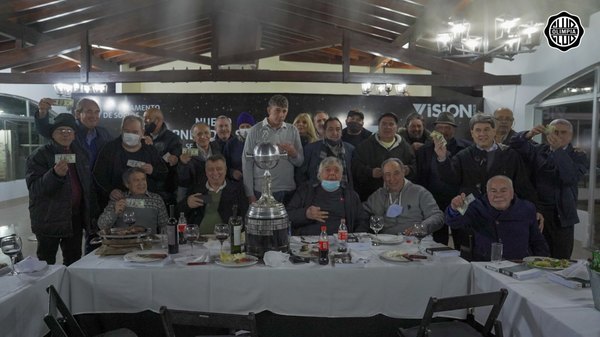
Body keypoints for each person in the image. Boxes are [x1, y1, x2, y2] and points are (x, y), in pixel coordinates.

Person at [434, 113, 538, 249]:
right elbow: (450, 179)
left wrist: (537, 209)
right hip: (471, 214)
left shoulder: (510, 155)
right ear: (472, 133)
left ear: (494, 131)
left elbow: (522, 184)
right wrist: (442, 158)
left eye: (486, 129)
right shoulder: (463, 156)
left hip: (503, 214)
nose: (482, 134)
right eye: (478, 130)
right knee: (468, 253)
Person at [26, 114, 98, 265]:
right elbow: (35, 189)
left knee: (73, 260)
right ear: (52, 134)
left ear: (74, 135)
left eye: (69, 131)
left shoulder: (81, 154)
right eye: (60, 130)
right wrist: (55, 174)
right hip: (49, 218)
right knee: (46, 263)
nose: (65, 134)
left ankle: (69, 289)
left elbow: (87, 185)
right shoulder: (40, 155)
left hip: (75, 218)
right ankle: (47, 289)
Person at [510, 119, 588, 259]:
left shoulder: (579, 155)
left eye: (563, 132)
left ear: (570, 135)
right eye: (555, 132)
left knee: (561, 259)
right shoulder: (539, 150)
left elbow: (569, 177)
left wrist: (558, 151)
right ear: (548, 134)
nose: (558, 135)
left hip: (562, 216)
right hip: (538, 212)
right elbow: (515, 144)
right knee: (536, 256)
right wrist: (529, 134)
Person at [446, 176, 549, 261]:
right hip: (485, 265)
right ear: (487, 193)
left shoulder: (527, 208)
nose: (498, 195)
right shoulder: (475, 204)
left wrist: (542, 264)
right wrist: (454, 208)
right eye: (493, 191)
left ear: (512, 193)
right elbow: (453, 222)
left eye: (503, 190)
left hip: (519, 265)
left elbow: (537, 241)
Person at [415, 111, 471, 245]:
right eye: (440, 127)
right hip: (434, 201)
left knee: (462, 239)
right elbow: (420, 178)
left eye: (448, 127)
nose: (444, 131)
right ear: (435, 130)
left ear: (454, 129)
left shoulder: (466, 148)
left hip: (460, 200)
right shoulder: (424, 150)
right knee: (437, 241)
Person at [93, 115, 168, 209]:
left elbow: (164, 173)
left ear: (142, 133)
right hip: (116, 205)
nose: (130, 135)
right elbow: (98, 175)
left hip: (146, 206)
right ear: (121, 130)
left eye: (135, 132)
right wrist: (109, 191)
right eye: (127, 131)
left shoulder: (150, 150)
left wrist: (153, 171)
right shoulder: (109, 149)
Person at [242, 94, 304, 204]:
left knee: (288, 221)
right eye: (277, 110)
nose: (281, 115)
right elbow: (247, 163)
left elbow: (299, 162)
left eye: (284, 111)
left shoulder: (293, 130)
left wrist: (293, 153)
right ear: (269, 110)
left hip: (288, 190)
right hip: (261, 191)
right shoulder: (255, 131)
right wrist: (250, 194)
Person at [287, 157, 367, 235]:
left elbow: (362, 221)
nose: (332, 173)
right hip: (309, 240)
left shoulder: (351, 195)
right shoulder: (305, 191)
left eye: (336, 170)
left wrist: (355, 239)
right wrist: (306, 214)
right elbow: (287, 216)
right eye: (328, 170)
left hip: (342, 241)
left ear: (341, 175)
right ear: (319, 174)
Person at [363, 158, 443, 235]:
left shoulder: (420, 192)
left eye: (396, 173)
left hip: (415, 240)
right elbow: (362, 213)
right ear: (383, 177)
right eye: (387, 174)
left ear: (403, 172)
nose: (392, 178)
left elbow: (438, 216)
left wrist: (422, 227)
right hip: (386, 243)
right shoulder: (378, 195)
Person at [352, 112, 416, 201]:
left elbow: (415, 166)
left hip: (400, 198)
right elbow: (355, 167)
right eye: (384, 124)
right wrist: (370, 172)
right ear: (378, 126)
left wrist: (408, 170)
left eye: (391, 124)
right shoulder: (364, 146)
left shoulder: (406, 147)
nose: (387, 127)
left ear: (396, 127)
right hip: (371, 198)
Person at [177, 155, 248, 235]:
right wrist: (187, 203)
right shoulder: (196, 189)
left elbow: (244, 218)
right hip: (199, 240)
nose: (215, 173)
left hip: (226, 240)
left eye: (219, 169)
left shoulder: (237, 190)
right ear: (206, 172)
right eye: (210, 169)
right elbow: (178, 212)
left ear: (225, 170)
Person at [35, 97, 112, 169]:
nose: (94, 116)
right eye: (89, 112)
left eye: (96, 112)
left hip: (97, 181)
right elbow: (44, 130)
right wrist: (42, 112)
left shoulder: (103, 133)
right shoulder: (69, 130)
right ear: (77, 114)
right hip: (73, 180)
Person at [97, 167, 169, 233]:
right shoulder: (118, 199)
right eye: (136, 180)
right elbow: (101, 226)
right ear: (127, 184)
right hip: (123, 244)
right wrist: (115, 212)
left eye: (143, 179)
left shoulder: (156, 199)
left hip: (150, 244)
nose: (141, 183)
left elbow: (165, 226)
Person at [299, 117, 355, 189]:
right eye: (330, 129)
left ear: (341, 132)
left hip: (343, 193)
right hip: (315, 193)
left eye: (338, 129)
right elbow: (301, 174)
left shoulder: (350, 149)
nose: (334, 133)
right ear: (325, 132)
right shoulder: (310, 149)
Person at [142, 107, 182, 206]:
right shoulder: (141, 135)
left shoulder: (173, 139)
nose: (145, 122)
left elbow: (172, 162)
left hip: (164, 190)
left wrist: (152, 147)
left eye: (148, 119)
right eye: (144, 119)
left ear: (158, 120)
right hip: (143, 187)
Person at [178, 122, 221, 188]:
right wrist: (183, 164)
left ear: (210, 134)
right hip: (198, 193)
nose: (203, 136)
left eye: (206, 133)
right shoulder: (188, 153)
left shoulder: (219, 149)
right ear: (193, 138)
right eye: (199, 134)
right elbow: (183, 182)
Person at [223, 111, 255, 182]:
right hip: (236, 184)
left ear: (253, 128)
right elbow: (224, 165)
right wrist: (232, 173)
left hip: (256, 182)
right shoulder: (231, 144)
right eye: (242, 127)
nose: (245, 129)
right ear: (238, 128)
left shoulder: (258, 142)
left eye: (248, 126)